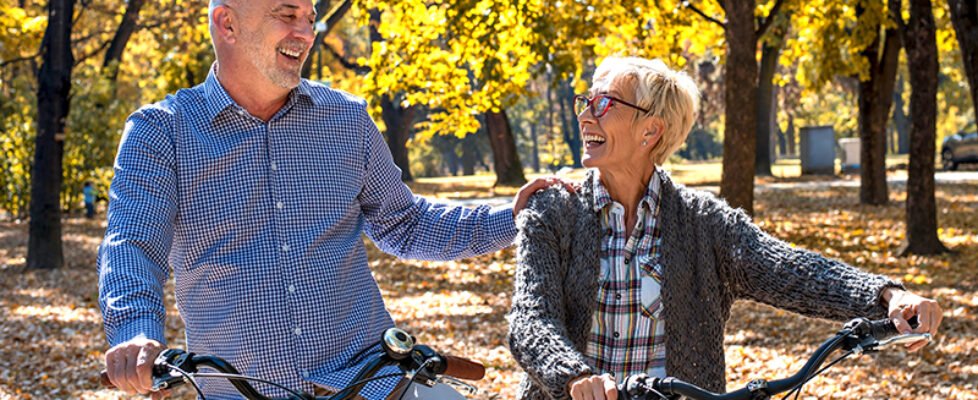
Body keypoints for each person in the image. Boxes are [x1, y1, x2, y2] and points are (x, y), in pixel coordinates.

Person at [97, 1, 565, 399]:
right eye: (287, 14)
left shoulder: (346, 119)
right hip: (241, 387)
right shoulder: (161, 133)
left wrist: (516, 217)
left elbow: (406, 223)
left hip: (375, 379)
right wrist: (135, 331)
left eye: (310, 15)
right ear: (228, 24)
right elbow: (133, 244)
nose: (305, 32)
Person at [506, 57, 943, 400]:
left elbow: (790, 269)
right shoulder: (554, 210)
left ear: (650, 131)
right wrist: (575, 377)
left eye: (604, 104)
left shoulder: (703, 223)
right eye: (587, 102)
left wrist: (886, 296)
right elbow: (530, 319)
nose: (586, 116)